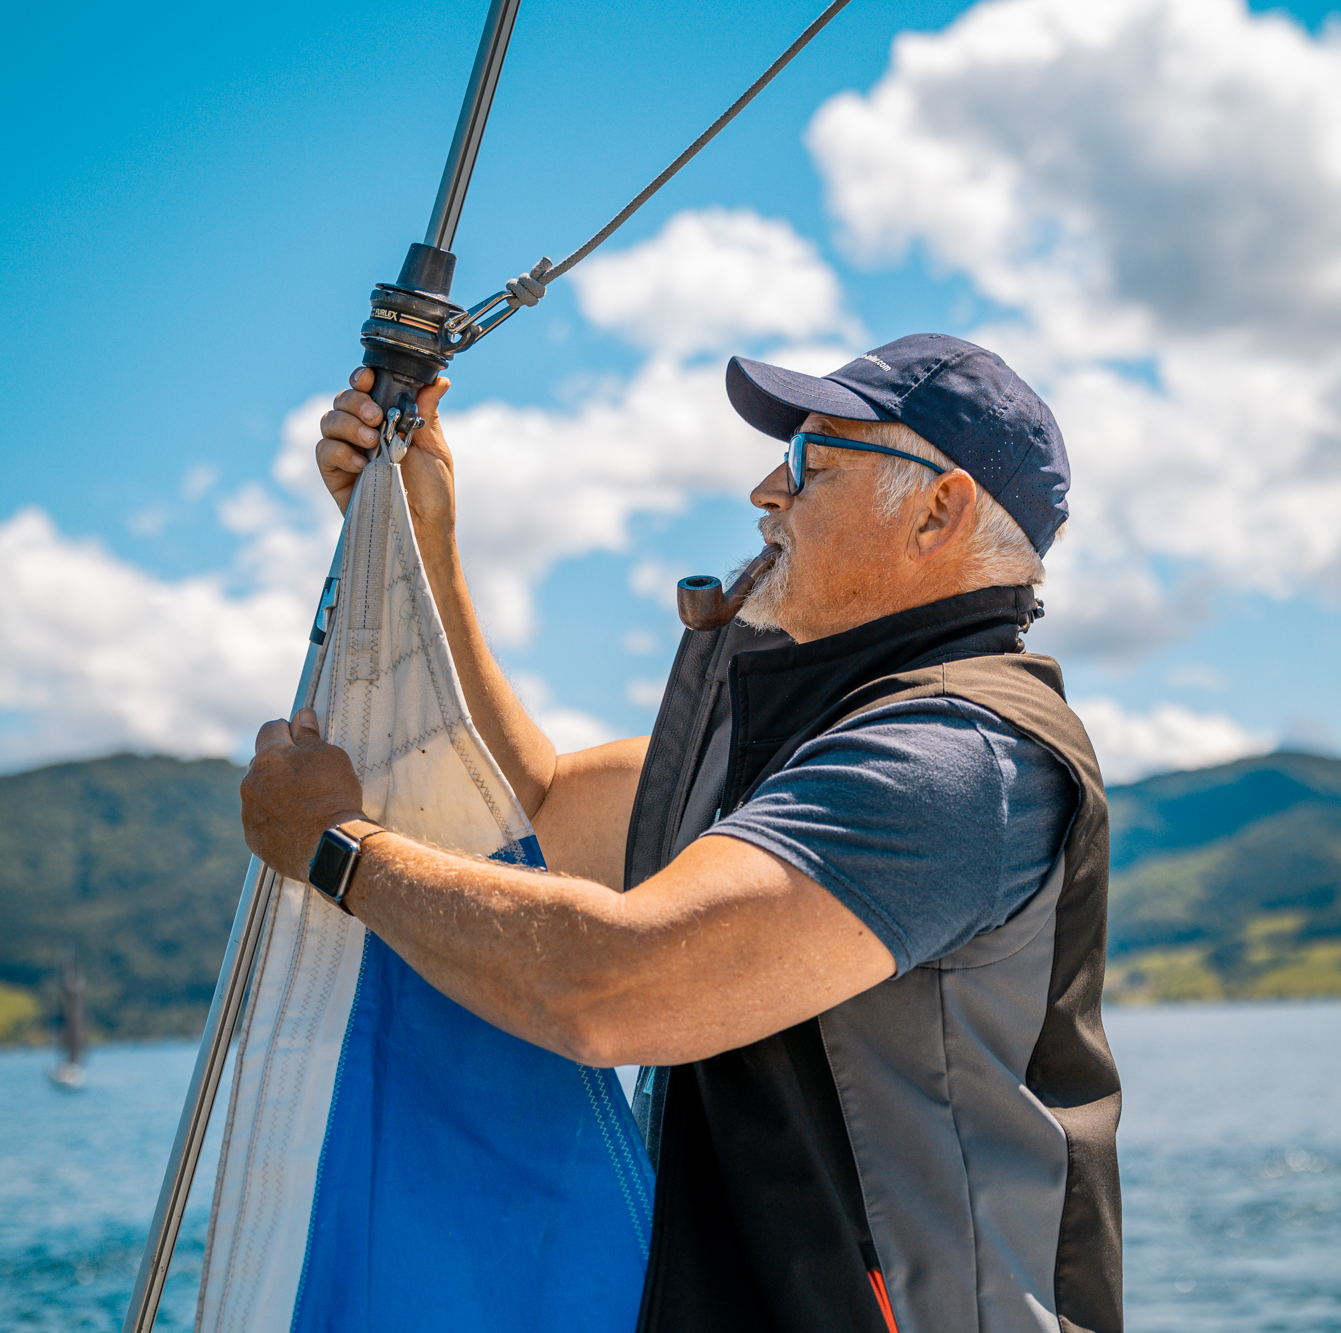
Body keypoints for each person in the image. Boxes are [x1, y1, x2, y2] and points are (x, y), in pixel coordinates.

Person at [242, 333, 1122, 1333]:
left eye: (809, 462)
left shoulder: (953, 760)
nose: (764, 489)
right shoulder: (810, 745)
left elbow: (617, 983)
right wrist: (423, 542)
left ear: (937, 509)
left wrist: (334, 847)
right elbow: (535, 810)